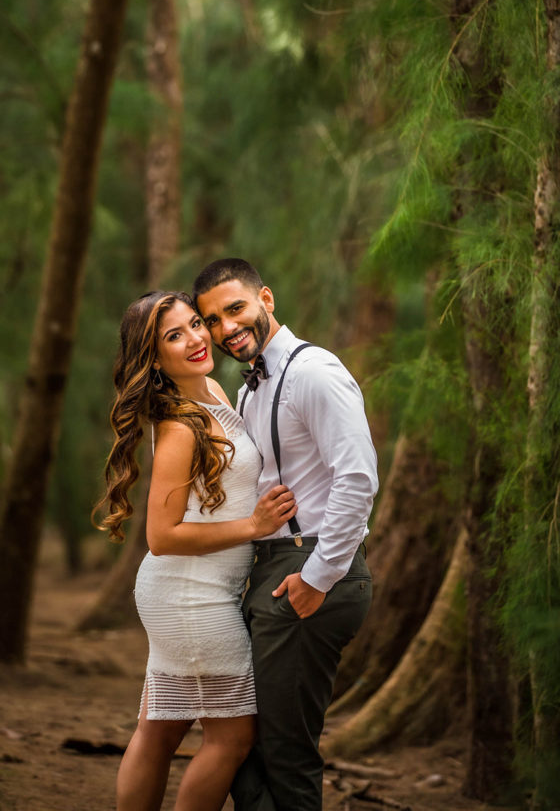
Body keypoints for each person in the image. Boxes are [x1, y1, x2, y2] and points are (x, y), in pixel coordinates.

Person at [93, 290, 297, 811]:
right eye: (174, 336)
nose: (196, 339)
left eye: (194, 325)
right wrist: (253, 525)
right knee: (232, 738)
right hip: (191, 596)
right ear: (154, 358)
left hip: (195, 592)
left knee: (159, 729)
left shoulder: (210, 390)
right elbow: (161, 536)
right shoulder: (181, 425)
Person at [192, 259, 379, 811]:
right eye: (213, 320)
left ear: (265, 300)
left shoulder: (313, 371)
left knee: (286, 755)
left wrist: (316, 579)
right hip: (271, 568)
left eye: (235, 309)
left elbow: (358, 477)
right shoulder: (250, 391)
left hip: (310, 570)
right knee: (242, 748)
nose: (227, 328)